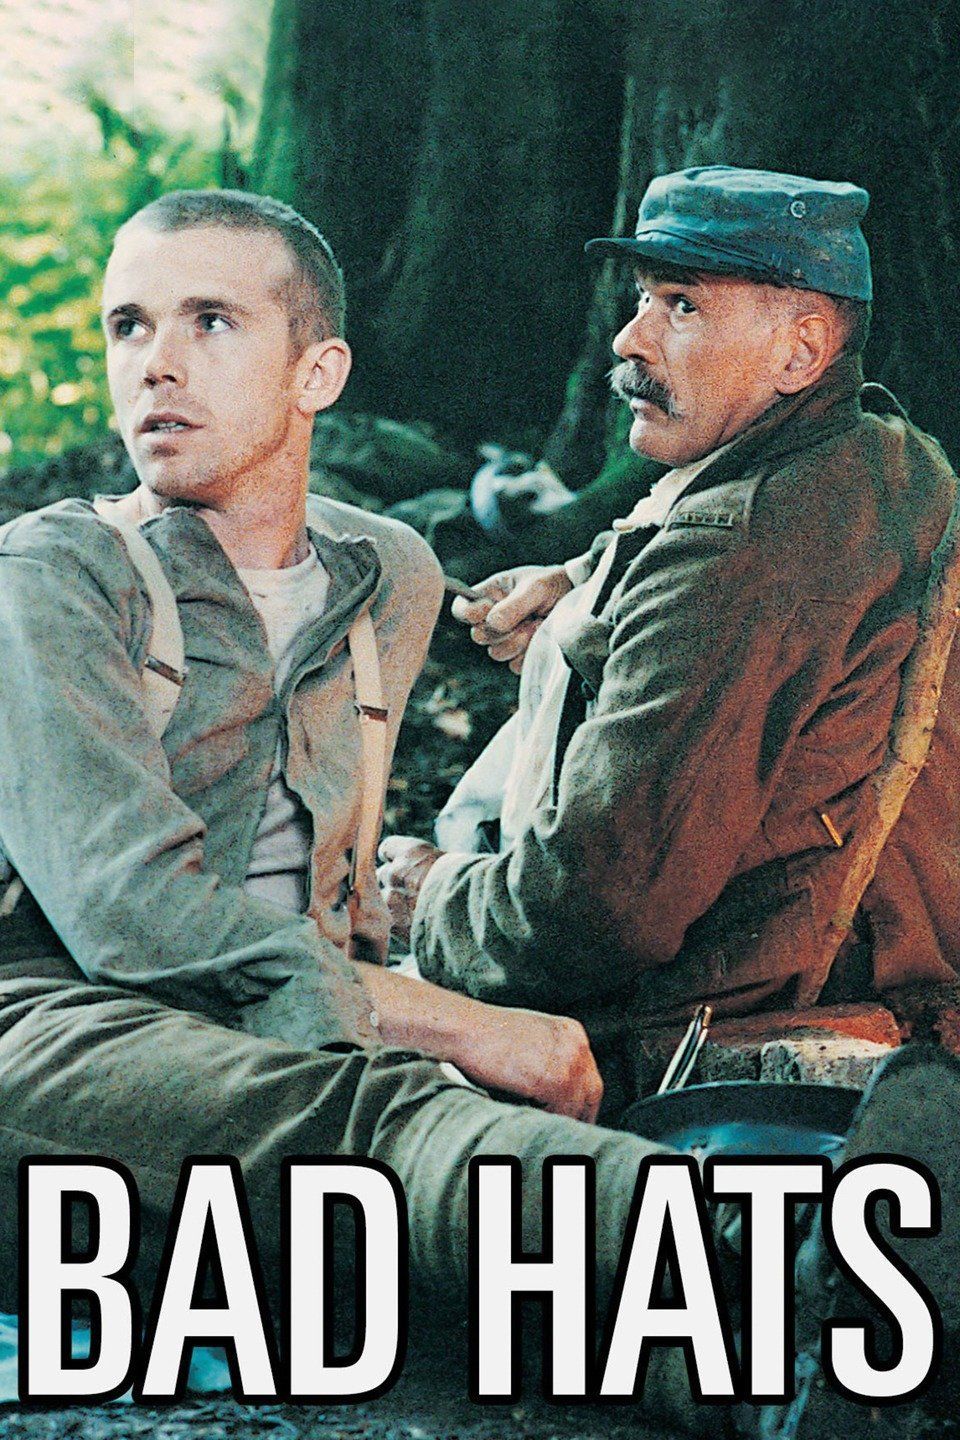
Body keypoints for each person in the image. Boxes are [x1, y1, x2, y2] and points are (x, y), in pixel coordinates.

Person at [0, 183, 956, 1440]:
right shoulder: (52, 575)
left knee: (435, 1220)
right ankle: (802, 1251)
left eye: (210, 321)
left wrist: (587, 584)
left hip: (300, 1016)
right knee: (387, 1124)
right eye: (128, 326)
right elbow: (131, 914)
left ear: (318, 372)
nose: (156, 364)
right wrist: (461, 1020)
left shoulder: (385, 574)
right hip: (63, 1011)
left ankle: (792, 1381)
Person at [379, 167, 960, 1057]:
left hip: (729, 1031)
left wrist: (436, 898)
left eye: (683, 306)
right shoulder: (883, 453)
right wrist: (584, 581)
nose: (629, 339)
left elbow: (586, 919)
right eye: (644, 298)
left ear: (800, 352)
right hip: (896, 970)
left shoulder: (732, 557)